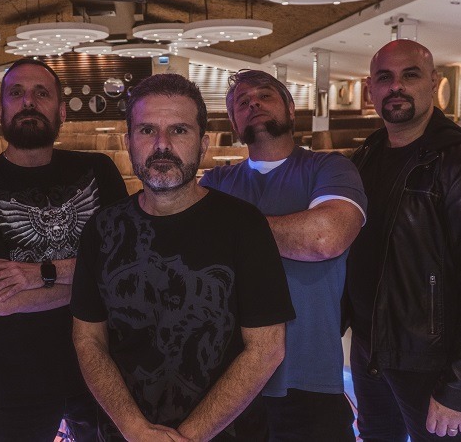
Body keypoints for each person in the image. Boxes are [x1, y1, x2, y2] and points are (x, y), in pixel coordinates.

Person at [71, 73, 295, 441]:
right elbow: (88, 341)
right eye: (147, 130)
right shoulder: (102, 228)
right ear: (128, 142)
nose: (162, 145)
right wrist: (135, 429)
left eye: (179, 130)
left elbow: (268, 348)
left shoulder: (244, 224)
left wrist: (188, 436)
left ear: (203, 144)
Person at [0, 58, 128, 441]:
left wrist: (41, 273)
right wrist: (95, 284)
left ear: (61, 111)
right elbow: (3, 300)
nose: (28, 101)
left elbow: (125, 267)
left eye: (41, 93)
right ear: (0, 111)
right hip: (18, 380)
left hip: (105, 367)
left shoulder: (99, 170)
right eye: (16, 93)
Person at [200, 69, 367, 441]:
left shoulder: (330, 168)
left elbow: (324, 238)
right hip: (229, 376)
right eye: (242, 102)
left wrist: (229, 229)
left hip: (309, 374)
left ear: (291, 109)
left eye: (265, 95)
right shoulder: (216, 181)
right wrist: (289, 232)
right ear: (233, 122)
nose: (254, 104)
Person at [346, 39, 461, 440]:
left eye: (409, 74)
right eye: (385, 77)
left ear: (433, 82)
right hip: (370, 351)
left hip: (431, 362)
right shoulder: (365, 157)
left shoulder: (456, 160)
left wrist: (459, 386)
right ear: (371, 89)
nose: (396, 86)